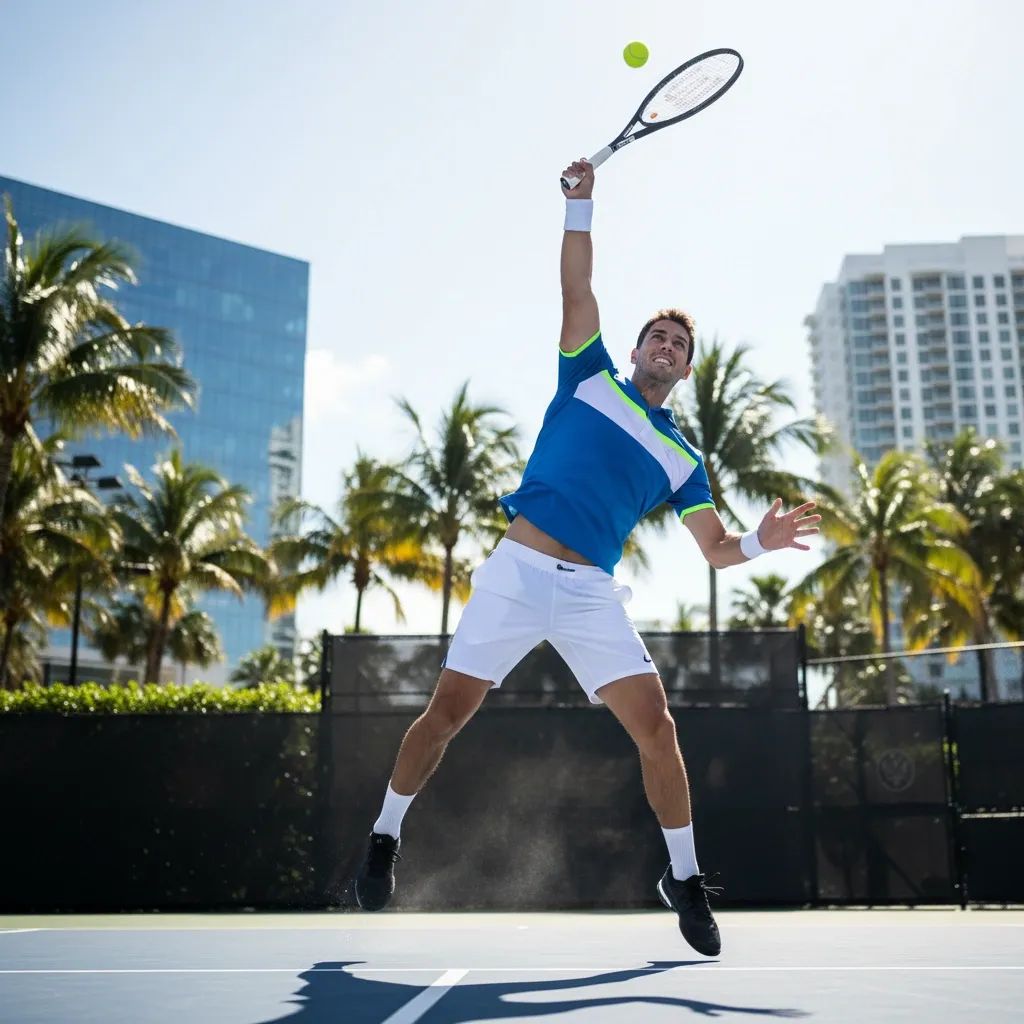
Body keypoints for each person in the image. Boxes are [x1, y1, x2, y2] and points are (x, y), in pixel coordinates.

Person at [354, 159, 820, 955]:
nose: (667, 345)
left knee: (657, 725)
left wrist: (759, 541)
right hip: (514, 572)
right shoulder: (587, 375)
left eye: (680, 343)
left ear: (686, 366)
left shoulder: (683, 460)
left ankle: (683, 877)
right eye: (658, 335)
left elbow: (714, 549)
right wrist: (582, 206)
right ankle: (385, 836)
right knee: (446, 716)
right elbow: (578, 289)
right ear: (636, 347)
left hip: (588, 593)